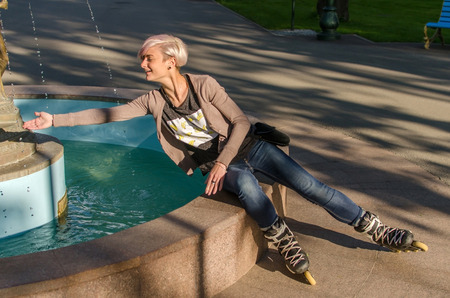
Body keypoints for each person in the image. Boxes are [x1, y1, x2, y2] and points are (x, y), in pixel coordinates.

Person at [23, 34, 426, 277]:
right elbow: (106, 114)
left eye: (148, 58)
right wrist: (54, 120)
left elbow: (240, 121)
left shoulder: (204, 85)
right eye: (143, 58)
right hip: (225, 167)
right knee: (247, 186)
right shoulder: (151, 100)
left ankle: (374, 228)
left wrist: (221, 160)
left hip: (248, 147)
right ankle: (283, 239)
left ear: (171, 61)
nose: (142, 63)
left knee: (310, 186)